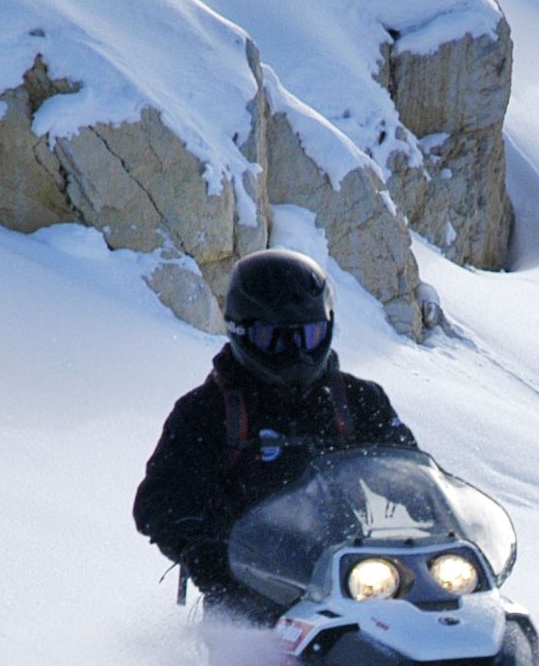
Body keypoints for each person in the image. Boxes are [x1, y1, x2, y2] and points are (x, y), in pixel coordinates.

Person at [133, 248, 417, 619]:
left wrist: (435, 515)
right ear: (241, 331)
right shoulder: (206, 411)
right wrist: (205, 551)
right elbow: (161, 499)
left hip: (353, 581)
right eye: (274, 338)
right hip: (248, 591)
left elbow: (405, 469)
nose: (296, 353)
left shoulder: (357, 401)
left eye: (308, 335)